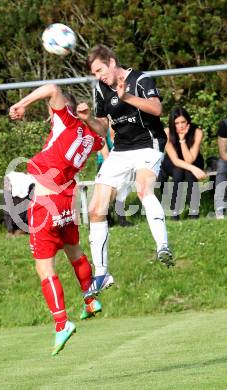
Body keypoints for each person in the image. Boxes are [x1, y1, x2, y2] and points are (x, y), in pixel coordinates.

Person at [9, 84, 104, 356]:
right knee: (74, 250)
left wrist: (23, 103)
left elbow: (52, 88)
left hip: (45, 203)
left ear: (63, 110)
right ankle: (89, 299)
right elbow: (102, 133)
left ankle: (61, 323)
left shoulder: (65, 120)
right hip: (66, 201)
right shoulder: (90, 137)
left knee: (44, 267)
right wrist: (89, 119)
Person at [78, 44, 174, 296]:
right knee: (95, 209)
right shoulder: (100, 88)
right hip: (120, 150)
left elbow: (156, 109)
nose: (99, 76)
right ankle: (101, 274)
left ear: (111, 61)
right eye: (95, 73)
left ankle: (163, 246)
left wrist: (127, 97)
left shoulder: (140, 79)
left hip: (148, 144)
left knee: (144, 189)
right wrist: (88, 119)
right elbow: (102, 128)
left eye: (100, 69)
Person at [158, 107, 206, 220]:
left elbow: (190, 159)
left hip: (193, 160)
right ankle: (175, 212)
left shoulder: (197, 132)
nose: (180, 126)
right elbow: (175, 160)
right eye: (177, 123)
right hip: (173, 161)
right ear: (172, 123)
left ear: (188, 121)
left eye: (183, 122)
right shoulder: (167, 132)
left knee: (190, 174)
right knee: (178, 172)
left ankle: (194, 212)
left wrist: (182, 140)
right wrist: (193, 168)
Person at [97, 127, 132, 227]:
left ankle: (121, 219)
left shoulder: (123, 129)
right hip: (105, 163)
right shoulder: (102, 129)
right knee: (108, 190)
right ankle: (105, 218)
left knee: (121, 188)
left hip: (121, 164)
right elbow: (106, 156)